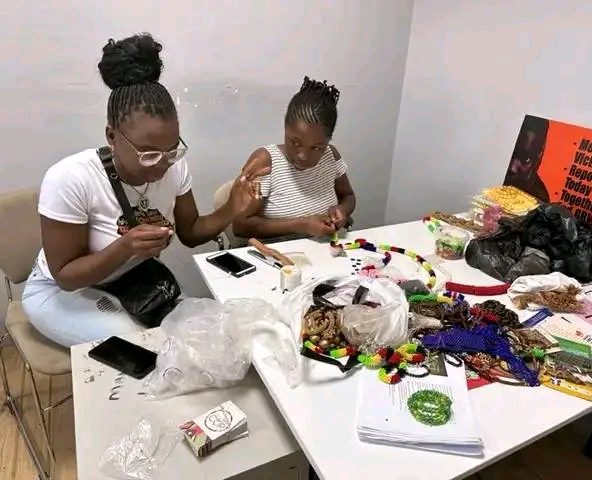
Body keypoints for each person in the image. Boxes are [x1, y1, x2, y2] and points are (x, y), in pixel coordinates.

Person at [21, 34, 267, 347]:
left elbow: (191, 232)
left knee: (205, 333)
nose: (162, 164)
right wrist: (124, 247)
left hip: (132, 280)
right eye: (148, 154)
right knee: (147, 346)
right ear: (112, 136)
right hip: (61, 292)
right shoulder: (71, 179)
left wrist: (232, 207)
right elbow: (66, 276)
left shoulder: (174, 166)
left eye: (172, 150)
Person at [233, 77, 356, 241]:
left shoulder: (331, 156)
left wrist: (342, 210)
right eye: (295, 143)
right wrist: (301, 225)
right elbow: (240, 226)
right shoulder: (265, 163)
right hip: (277, 255)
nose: (303, 156)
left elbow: (348, 196)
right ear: (285, 127)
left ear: (329, 140)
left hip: (327, 251)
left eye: (316, 148)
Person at [503, 115, 550, 202]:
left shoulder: (538, 200)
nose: (512, 168)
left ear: (538, 159)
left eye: (525, 159)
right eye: (511, 153)